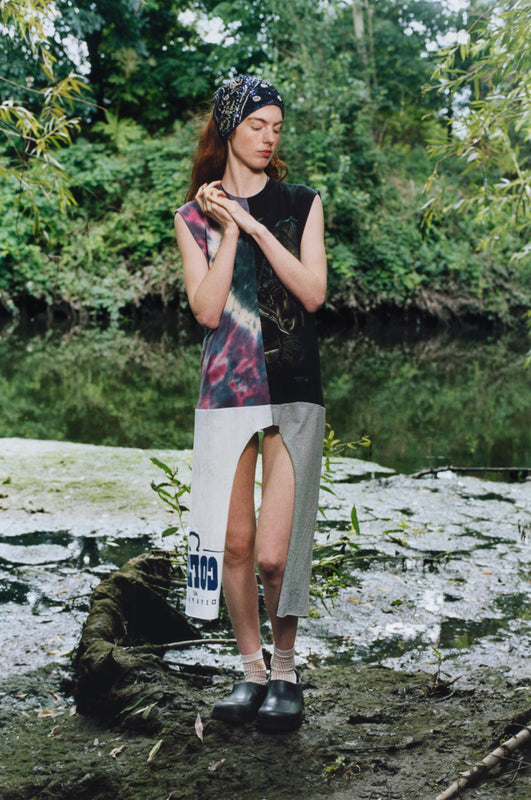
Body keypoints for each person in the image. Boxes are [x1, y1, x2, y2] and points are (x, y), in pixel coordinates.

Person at [174, 75, 327, 732]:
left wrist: (256, 227)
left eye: (276, 128)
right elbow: (208, 311)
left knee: (273, 554)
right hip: (226, 392)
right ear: (229, 128)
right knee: (234, 546)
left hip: (292, 388)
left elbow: (312, 294)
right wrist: (227, 232)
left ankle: (285, 670)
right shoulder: (192, 218)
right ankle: (252, 672)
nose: (268, 138)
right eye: (257, 125)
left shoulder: (300, 203)